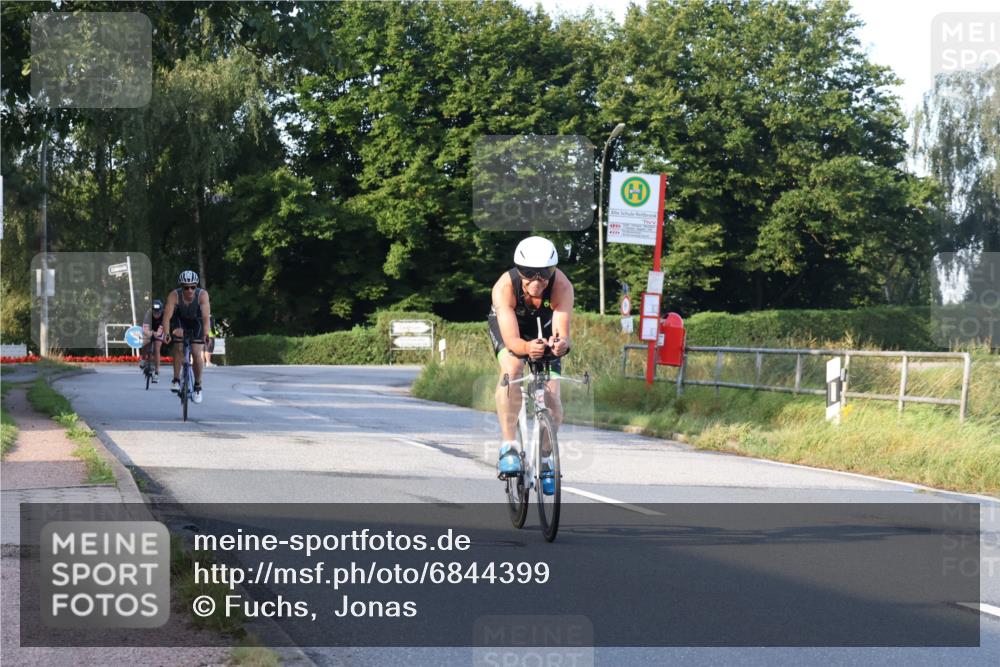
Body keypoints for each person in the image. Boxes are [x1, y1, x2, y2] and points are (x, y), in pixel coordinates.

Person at [487, 236, 573, 484]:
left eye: (544, 273)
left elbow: (561, 330)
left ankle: (546, 457)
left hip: (543, 328)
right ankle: (509, 446)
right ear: (518, 270)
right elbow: (512, 340)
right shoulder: (504, 287)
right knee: (512, 369)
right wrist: (526, 347)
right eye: (528, 272)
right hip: (511, 329)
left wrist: (560, 344)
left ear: (553, 270)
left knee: (552, 396)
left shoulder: (562, 287)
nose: (537, 280)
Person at [162, 270, 211, 404]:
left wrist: (206, 334)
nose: (189, 290)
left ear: (196, 286)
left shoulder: (202, 295)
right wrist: (166, 333)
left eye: (193, 287)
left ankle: (197, 386)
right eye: (186, 287)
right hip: (180, 321)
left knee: (196, 352)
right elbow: (167, 317)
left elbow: (206, 318)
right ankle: (176, 380)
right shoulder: (174, 295)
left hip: (197, 321)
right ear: (181, 287)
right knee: (178, 346)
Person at [139, 299, 168, 382]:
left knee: (157, 348)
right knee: (145, 341)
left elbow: (162, 328)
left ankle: (157, 372)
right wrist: (149, 333)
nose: (156, 315)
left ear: (161, 310)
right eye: (154, 312)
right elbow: (145, 328)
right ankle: (143, 358)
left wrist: (157, 334)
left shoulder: (164, 315)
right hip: (150, 329)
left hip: (160, 329)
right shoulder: (148, 313)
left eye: (158, 312)